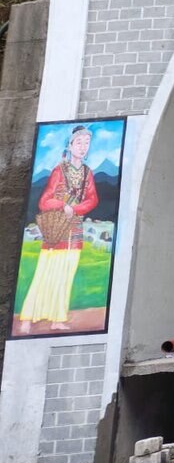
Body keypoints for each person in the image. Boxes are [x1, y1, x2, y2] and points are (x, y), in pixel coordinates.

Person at [16, 125, 98, 333]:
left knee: (66, 276)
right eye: (78, 143)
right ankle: (27, 318)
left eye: (86, 143)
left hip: (75, 230)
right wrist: (64, 206)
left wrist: (76, 209)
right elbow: (44, 201)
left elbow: (92, 199)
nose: (83, 147)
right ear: (70, 146)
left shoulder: (88, 174)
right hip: (56, 231)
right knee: (45, 274)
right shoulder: (58, 171)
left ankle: (57, 318)